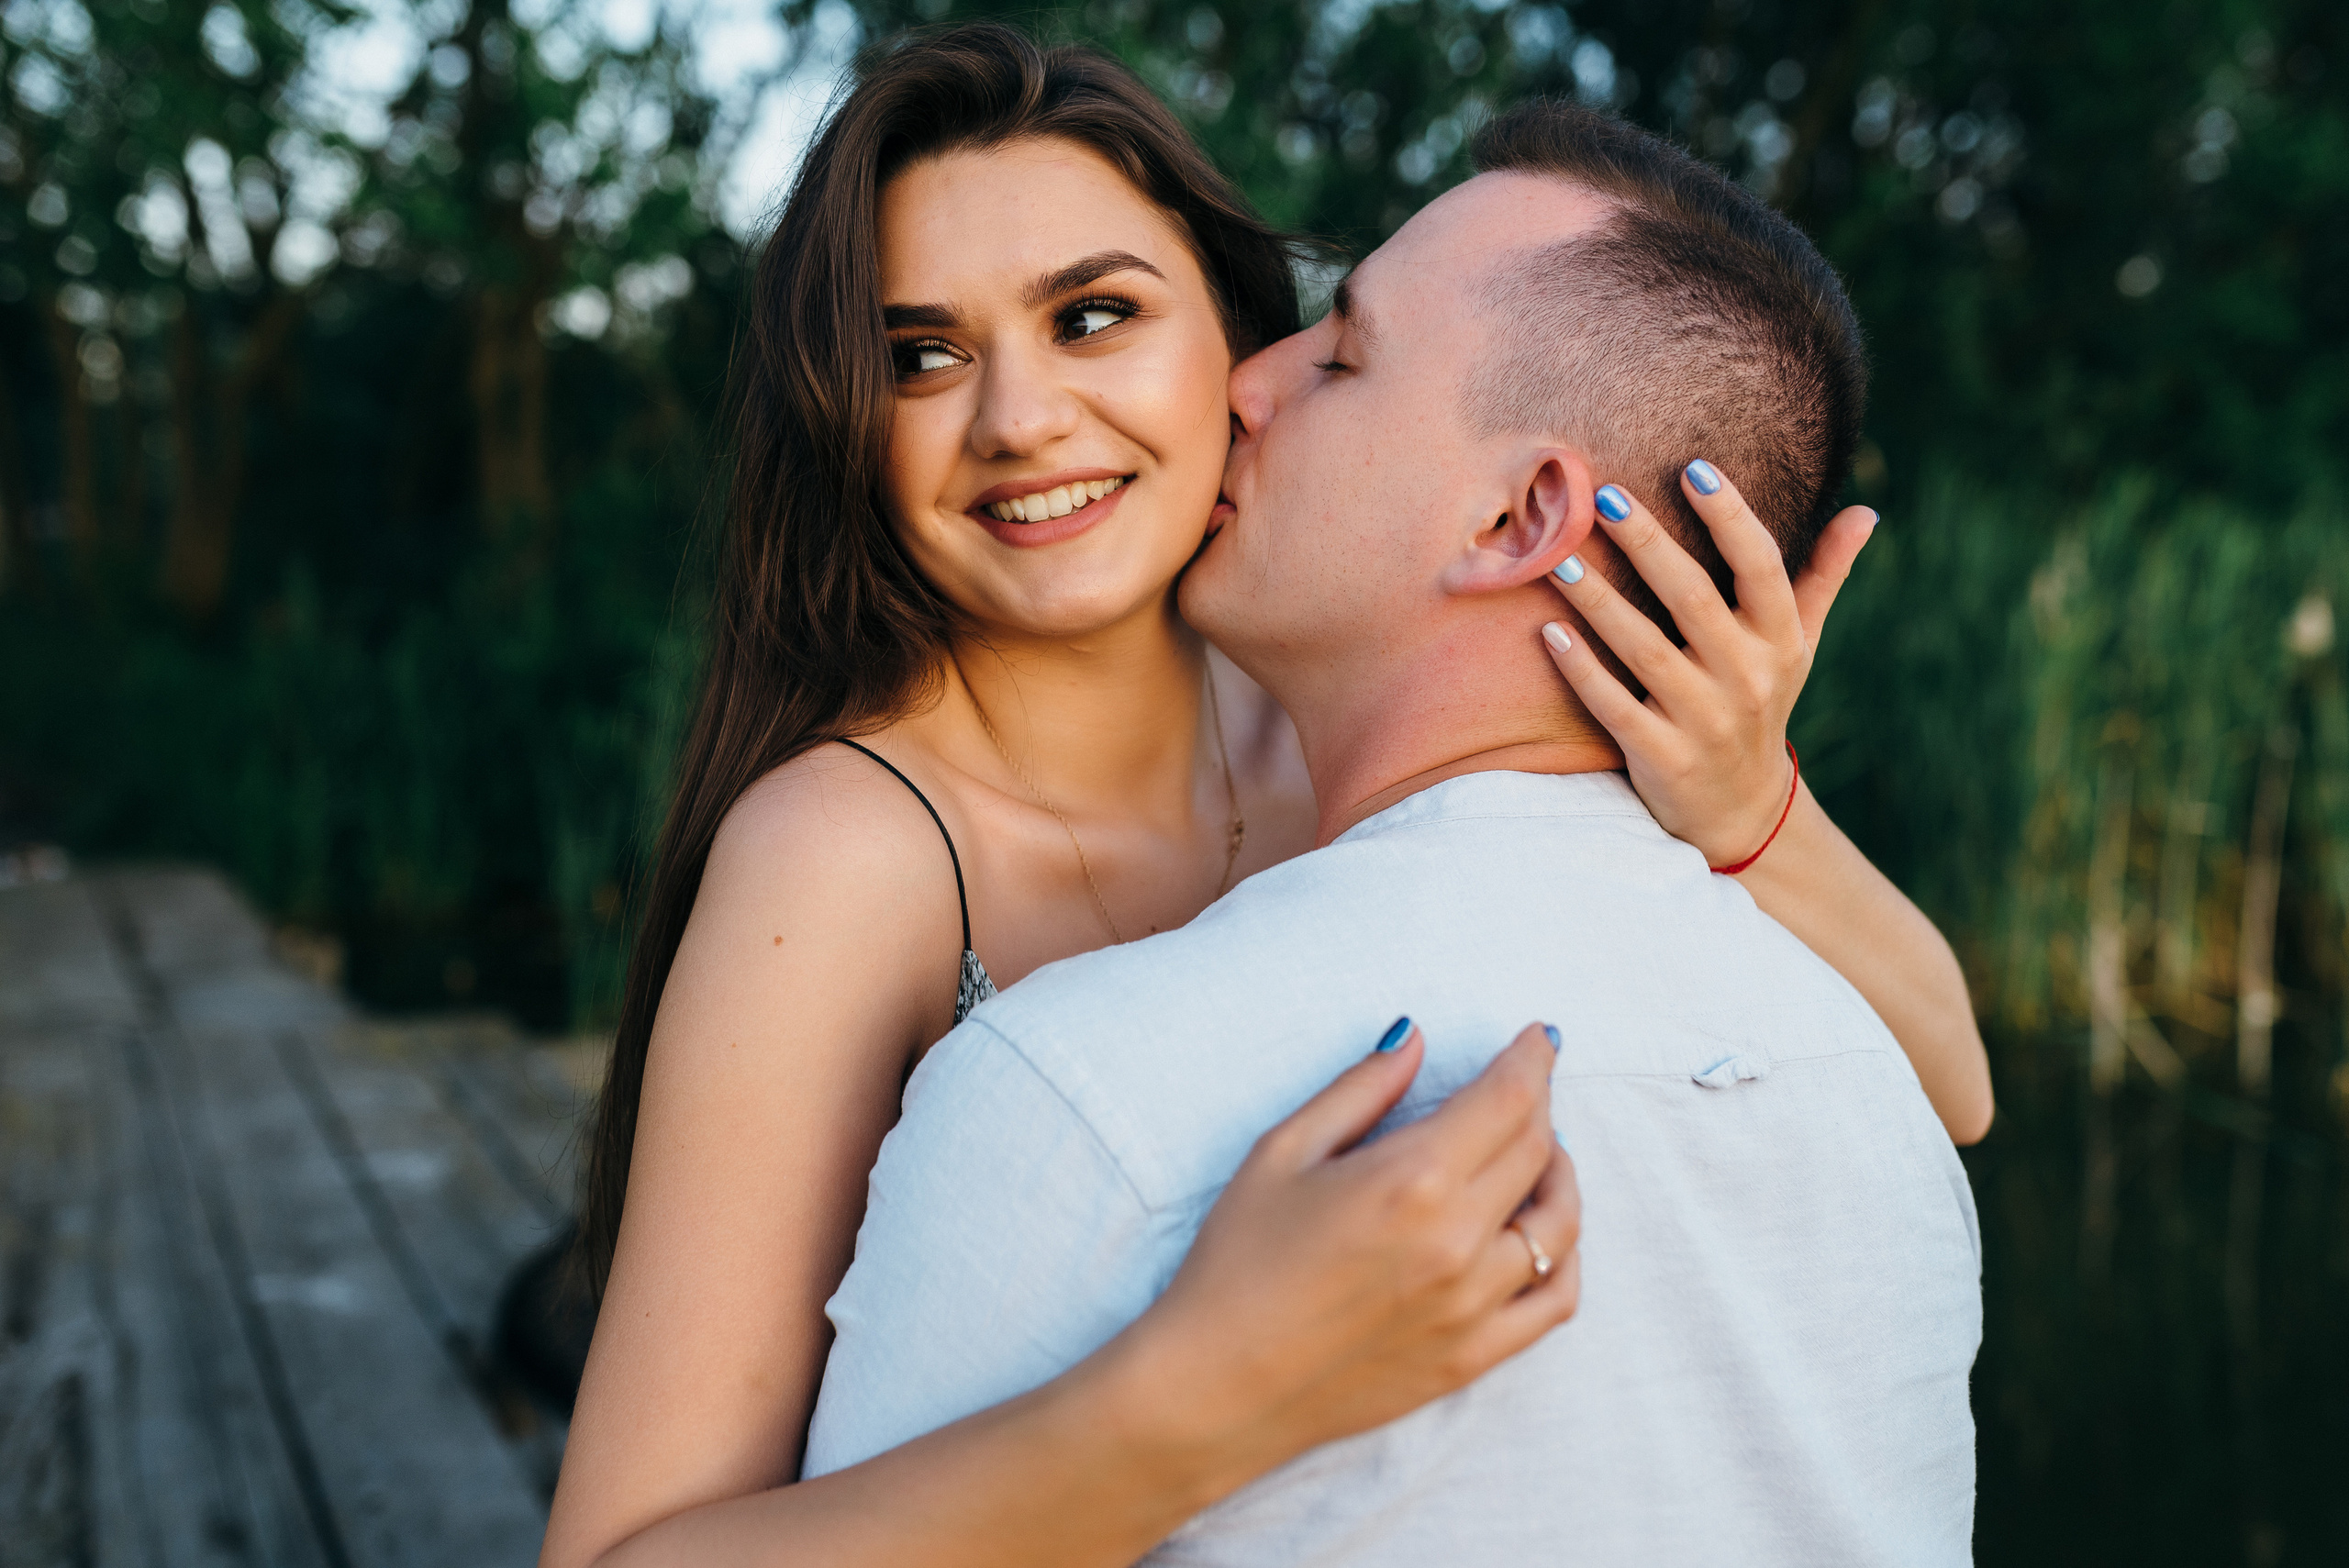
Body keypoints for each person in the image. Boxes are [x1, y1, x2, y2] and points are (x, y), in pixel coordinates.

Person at [541, 26, 1987, 1568]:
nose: (1017, 418)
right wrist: (1208, 1397)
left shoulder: (1377, 725)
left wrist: (1748, 797)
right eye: (920, 357)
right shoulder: (844, 855)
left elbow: (1942, 1082)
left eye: (1092, 316)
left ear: (1231, 345)